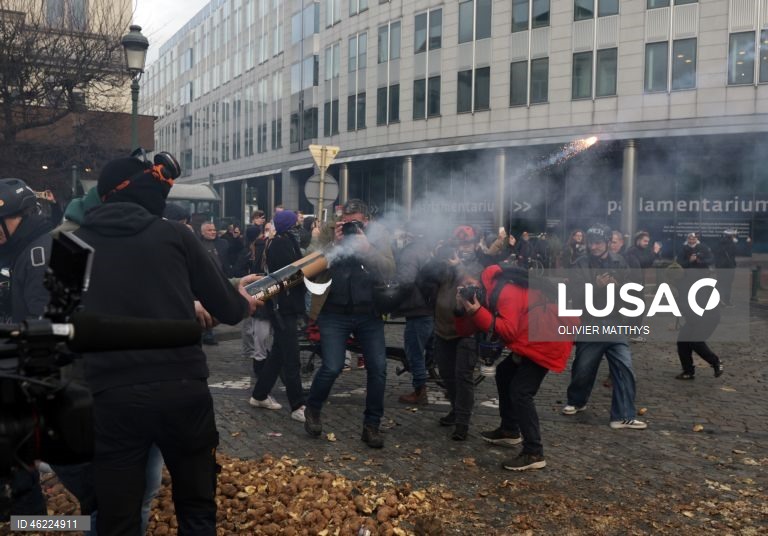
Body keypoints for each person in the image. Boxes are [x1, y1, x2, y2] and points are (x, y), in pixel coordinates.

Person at [73, 155, 259, 535]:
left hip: (112, 397)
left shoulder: (72, 246)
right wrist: (243, 302)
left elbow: (58, 327)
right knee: (197, 507)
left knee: (118, 517)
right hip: (182, 389)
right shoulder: (175, 235)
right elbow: (227, 307)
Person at [455, 263, 575, 471]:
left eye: (469, 283)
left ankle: (534, 452)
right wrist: (461, 310)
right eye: (462, 286)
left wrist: (478, 312)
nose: (467, 289)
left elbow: (508, 331)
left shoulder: (505, 291)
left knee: (521, 392)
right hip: (533, 337)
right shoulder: (489, 292)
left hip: (545, 340)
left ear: (480, 279)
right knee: (504, 373)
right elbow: (466, 330)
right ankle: (510, 430)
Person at [303, 199, 395, 448]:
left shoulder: (377, 235)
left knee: (378, 368)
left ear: (366, 221)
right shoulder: (329, 232)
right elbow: (307, 265)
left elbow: (389, 269)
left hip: (369, 313)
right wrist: (334, 245)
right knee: (332, 366)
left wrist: (368, 249)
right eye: (345, 221)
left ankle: (371, 425)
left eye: (355, 222)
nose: (349, 226)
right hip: (333, 312)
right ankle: (312, 409)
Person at [0, 178, 52, 518]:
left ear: (22, 216)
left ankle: (29, 518)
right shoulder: (14, 248)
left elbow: (41, 320)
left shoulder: (38, 253)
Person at [561, 224, 647, 430]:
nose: (594, 246)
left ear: (608, 242)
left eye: (598, 242)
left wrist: (620, 290)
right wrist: (596, 287)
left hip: (615, 323)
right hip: (590, 323)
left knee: (625, 367)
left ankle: (623, 415)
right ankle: (577, 400)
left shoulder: (620, 262)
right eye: (591, 242)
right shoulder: (581, 263)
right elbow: (574, 296)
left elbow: (632, 292)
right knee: (583, 368)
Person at [417, 226, 484, 440]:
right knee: (447, 375)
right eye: (459, 243)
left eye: (467, 243)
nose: (463, 247)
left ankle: (462, 423)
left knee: (463, 377)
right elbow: (422, 278)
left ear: (475, 244)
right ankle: (455, 410)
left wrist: (459, 267)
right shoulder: (444, 264)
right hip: (443, 329)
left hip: (466, 331)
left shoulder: (479, 265)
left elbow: (474, 287)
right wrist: (436, 257)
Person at [248, 210, 307, 422]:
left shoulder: (283, 241)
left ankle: (259, 395)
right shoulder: (281, 244)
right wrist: (309, 271)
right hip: (282, 307)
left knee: (278, 355)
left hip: (284, 306)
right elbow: (288, 276)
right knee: (291, 357)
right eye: (295, 224)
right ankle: (298, 405)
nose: (298, 227)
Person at [394, 222, 435, 405]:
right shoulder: (427, 249)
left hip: (417, 308)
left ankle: (420, 390)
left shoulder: (410, 252)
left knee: (414, 352)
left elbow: (406, 280)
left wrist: (392, 294)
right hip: (429, 307)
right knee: (429, 349)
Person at [199, 220, 229, 345]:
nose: (213, 232)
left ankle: (209, 332)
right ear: (202, 232)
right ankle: (206, 333)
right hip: (203, 280)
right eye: (209, 230)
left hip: (220, 279)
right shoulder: (197, 244)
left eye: (214, 230)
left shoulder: (222, 243)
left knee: (214, 307)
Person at [713, 230, 738, 306]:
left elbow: (716, 253)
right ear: (731, 236)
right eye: (733, 235)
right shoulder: (732, 244)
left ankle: (718, 300)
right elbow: (736, 252)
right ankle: (727, 300)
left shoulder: (719, 243)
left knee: (720, 283)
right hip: (729, 266)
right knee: (728, 284)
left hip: (720, 266)